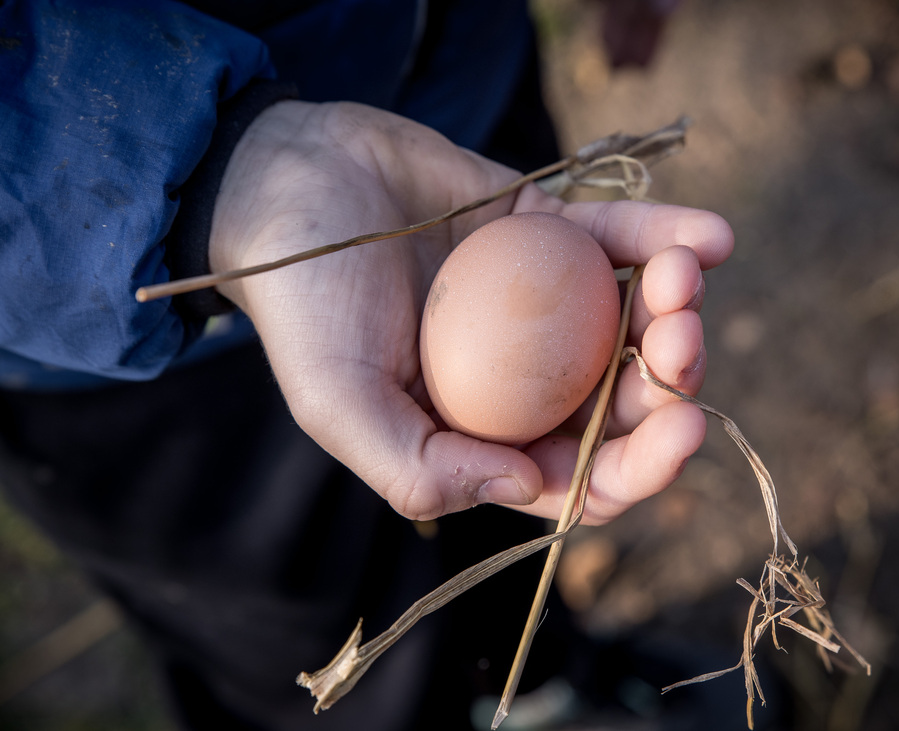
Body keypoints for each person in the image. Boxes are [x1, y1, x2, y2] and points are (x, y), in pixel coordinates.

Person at [0, 1, 733, 729]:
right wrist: (213, 174)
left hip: (456, 116)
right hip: (97, 278)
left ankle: (542, 691)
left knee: (501, 526)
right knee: (307, 641)